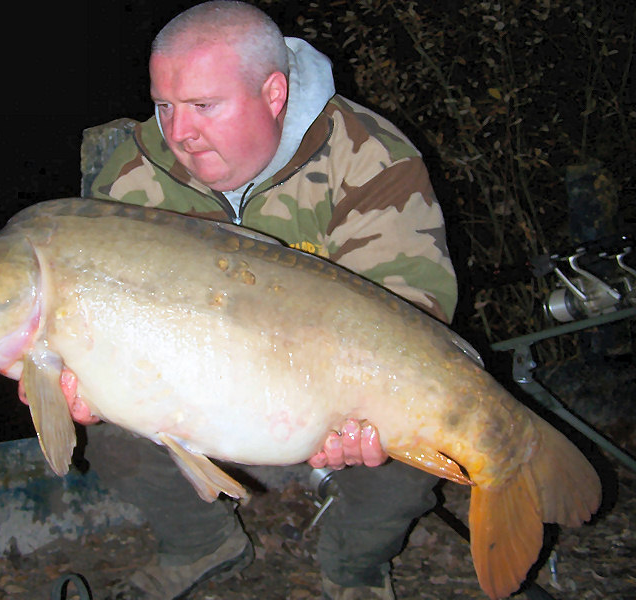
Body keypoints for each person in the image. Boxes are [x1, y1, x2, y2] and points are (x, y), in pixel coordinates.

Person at [50, 2, 457, 599]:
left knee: (404, 459)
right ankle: (203, 543)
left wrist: (355, 413)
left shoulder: (368, 155)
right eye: (164, 106)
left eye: (203, 107)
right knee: (110, 434)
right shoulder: (134, 176)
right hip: (200, 395)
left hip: (328, 396)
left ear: (273, 93)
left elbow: (411, 310)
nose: (178, 132)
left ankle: (354, 567)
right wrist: (79, 374)